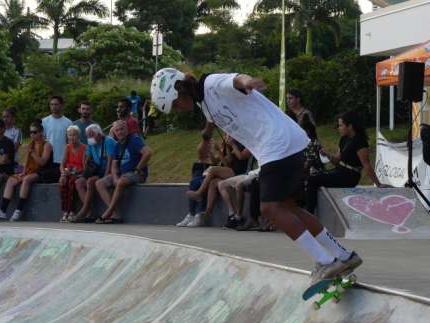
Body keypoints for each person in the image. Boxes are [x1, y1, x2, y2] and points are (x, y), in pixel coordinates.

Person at [151, 68, 362, 284]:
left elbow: (235, 80)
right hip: (287, 144)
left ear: (180, 89)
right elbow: (211, 118)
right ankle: (344, 256)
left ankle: (326, 261)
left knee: (269, 208)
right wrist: (206, 138)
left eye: (175, 104)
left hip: (277, 144)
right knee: (288, 207)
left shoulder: (212, 83)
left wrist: (247, 81)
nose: (178, 110)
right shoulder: (202, 101)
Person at [305, 111, 383, 214]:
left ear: (350, 126)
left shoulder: (360, 142)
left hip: (350, 175)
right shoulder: (344, 139)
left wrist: (378, 184)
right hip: (340, 170)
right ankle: (309, 211)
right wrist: (327, 154)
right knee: (311, 176)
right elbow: (337, 160)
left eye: (341, 125)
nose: (338, 128)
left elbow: (366, 165)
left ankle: (309, 214)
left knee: (313, 180)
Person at [0, 121, 53, 221]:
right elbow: (22, 162)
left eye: (35, 132)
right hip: (29, 171)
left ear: (41, 133)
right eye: (31, 132)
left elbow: (43, 163)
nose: (32, 135)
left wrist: (33, 153)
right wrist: (20, 172)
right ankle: (2, 210)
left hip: (43, 172)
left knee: (26, 179)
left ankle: (19, 210)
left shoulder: (46, 145)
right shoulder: (28, 145)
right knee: (11, 180)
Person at [95, 120, 152, 223]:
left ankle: (108, 212)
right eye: (117, 130)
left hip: (136, 173)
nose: (120, 132)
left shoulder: (135, 140)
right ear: (114, 132)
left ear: (127, 129)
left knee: (121, 182)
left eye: (122, 129)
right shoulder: (118, 145)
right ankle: (115, 213)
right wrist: (115, 178)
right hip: (122, 174)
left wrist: (137, 169)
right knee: (99, 183)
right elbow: (114, 165)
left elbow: (148, 153)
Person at [71, 124, 116, 223]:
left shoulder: (108, 141)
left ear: (98, 134)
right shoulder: (91, 144)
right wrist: (84, 172)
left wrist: (105, 175)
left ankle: (84, 210)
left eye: (91, 135)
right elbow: (86, 159)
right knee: (79, 182)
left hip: (107, 171)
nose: (89, 138)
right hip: (96, 171)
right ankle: (89, 212)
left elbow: (110, 160)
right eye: (87, 136)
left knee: (91, 181)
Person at [59, 125, 86, 222]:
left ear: (78, 136)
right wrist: (63, 174)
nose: (71, 137)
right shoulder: (67, 147)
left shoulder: (84, 148)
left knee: (71, 183)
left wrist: (75, 171)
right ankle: (65, 211)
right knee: (63, 183)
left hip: (79, 173)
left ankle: (72, 211)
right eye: (69, 135)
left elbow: (84, 166)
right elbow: (62, 165)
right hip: (68, 172)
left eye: (74, 135)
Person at [42, 95, 70, 170]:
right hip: (48, 158)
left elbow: (69, 142)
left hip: (62, 159)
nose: (53, 106)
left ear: (61, 105)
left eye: (56, 104)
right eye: (52, 104)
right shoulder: (44, 121)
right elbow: (42, 140)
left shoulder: (68, 123)